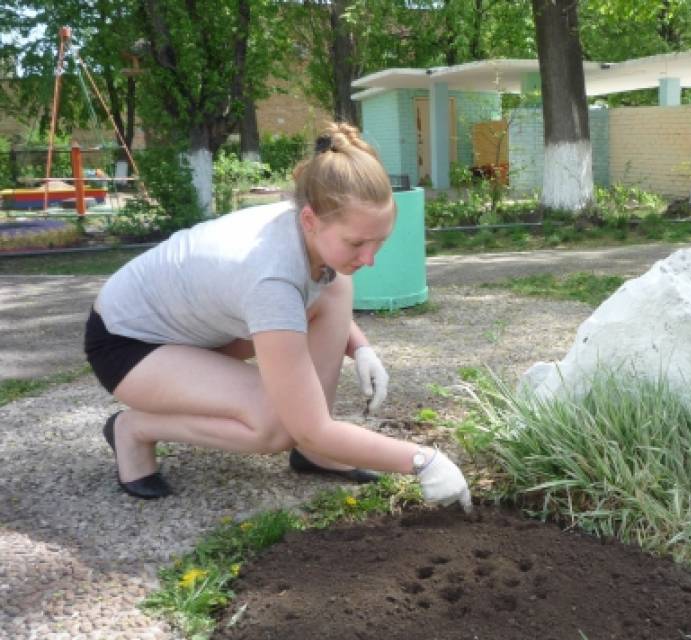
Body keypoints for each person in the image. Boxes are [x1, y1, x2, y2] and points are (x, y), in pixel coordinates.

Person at [84, 122, 470, 510]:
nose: (370, 258)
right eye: (357, 243)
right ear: (309, 220)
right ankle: (133, 428)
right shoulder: (271, 277)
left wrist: (361, 347)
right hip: (127, 345)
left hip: (196, 332)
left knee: (336, 285)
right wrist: (423, 461)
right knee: (280, 424)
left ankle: (317, 454)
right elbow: (307, 419)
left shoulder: (311, 223)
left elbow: (316, 294)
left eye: (379, 241)